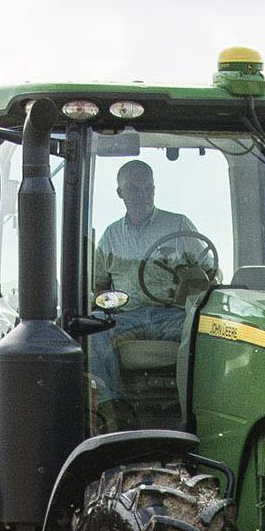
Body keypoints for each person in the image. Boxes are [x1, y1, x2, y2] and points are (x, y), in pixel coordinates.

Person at [88, 160, 200, 423]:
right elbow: (100, 286)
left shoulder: (179, 225)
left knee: (201, 332)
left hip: (172, 315)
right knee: (92, 331)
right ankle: (113, 409)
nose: (143, 196)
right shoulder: (111, 236)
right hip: (128, 316)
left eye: (148, 189)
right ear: (120, 193)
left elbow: (208, 271)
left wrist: (189, 283)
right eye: (136, 190)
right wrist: (106, 305)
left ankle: (193, 411)